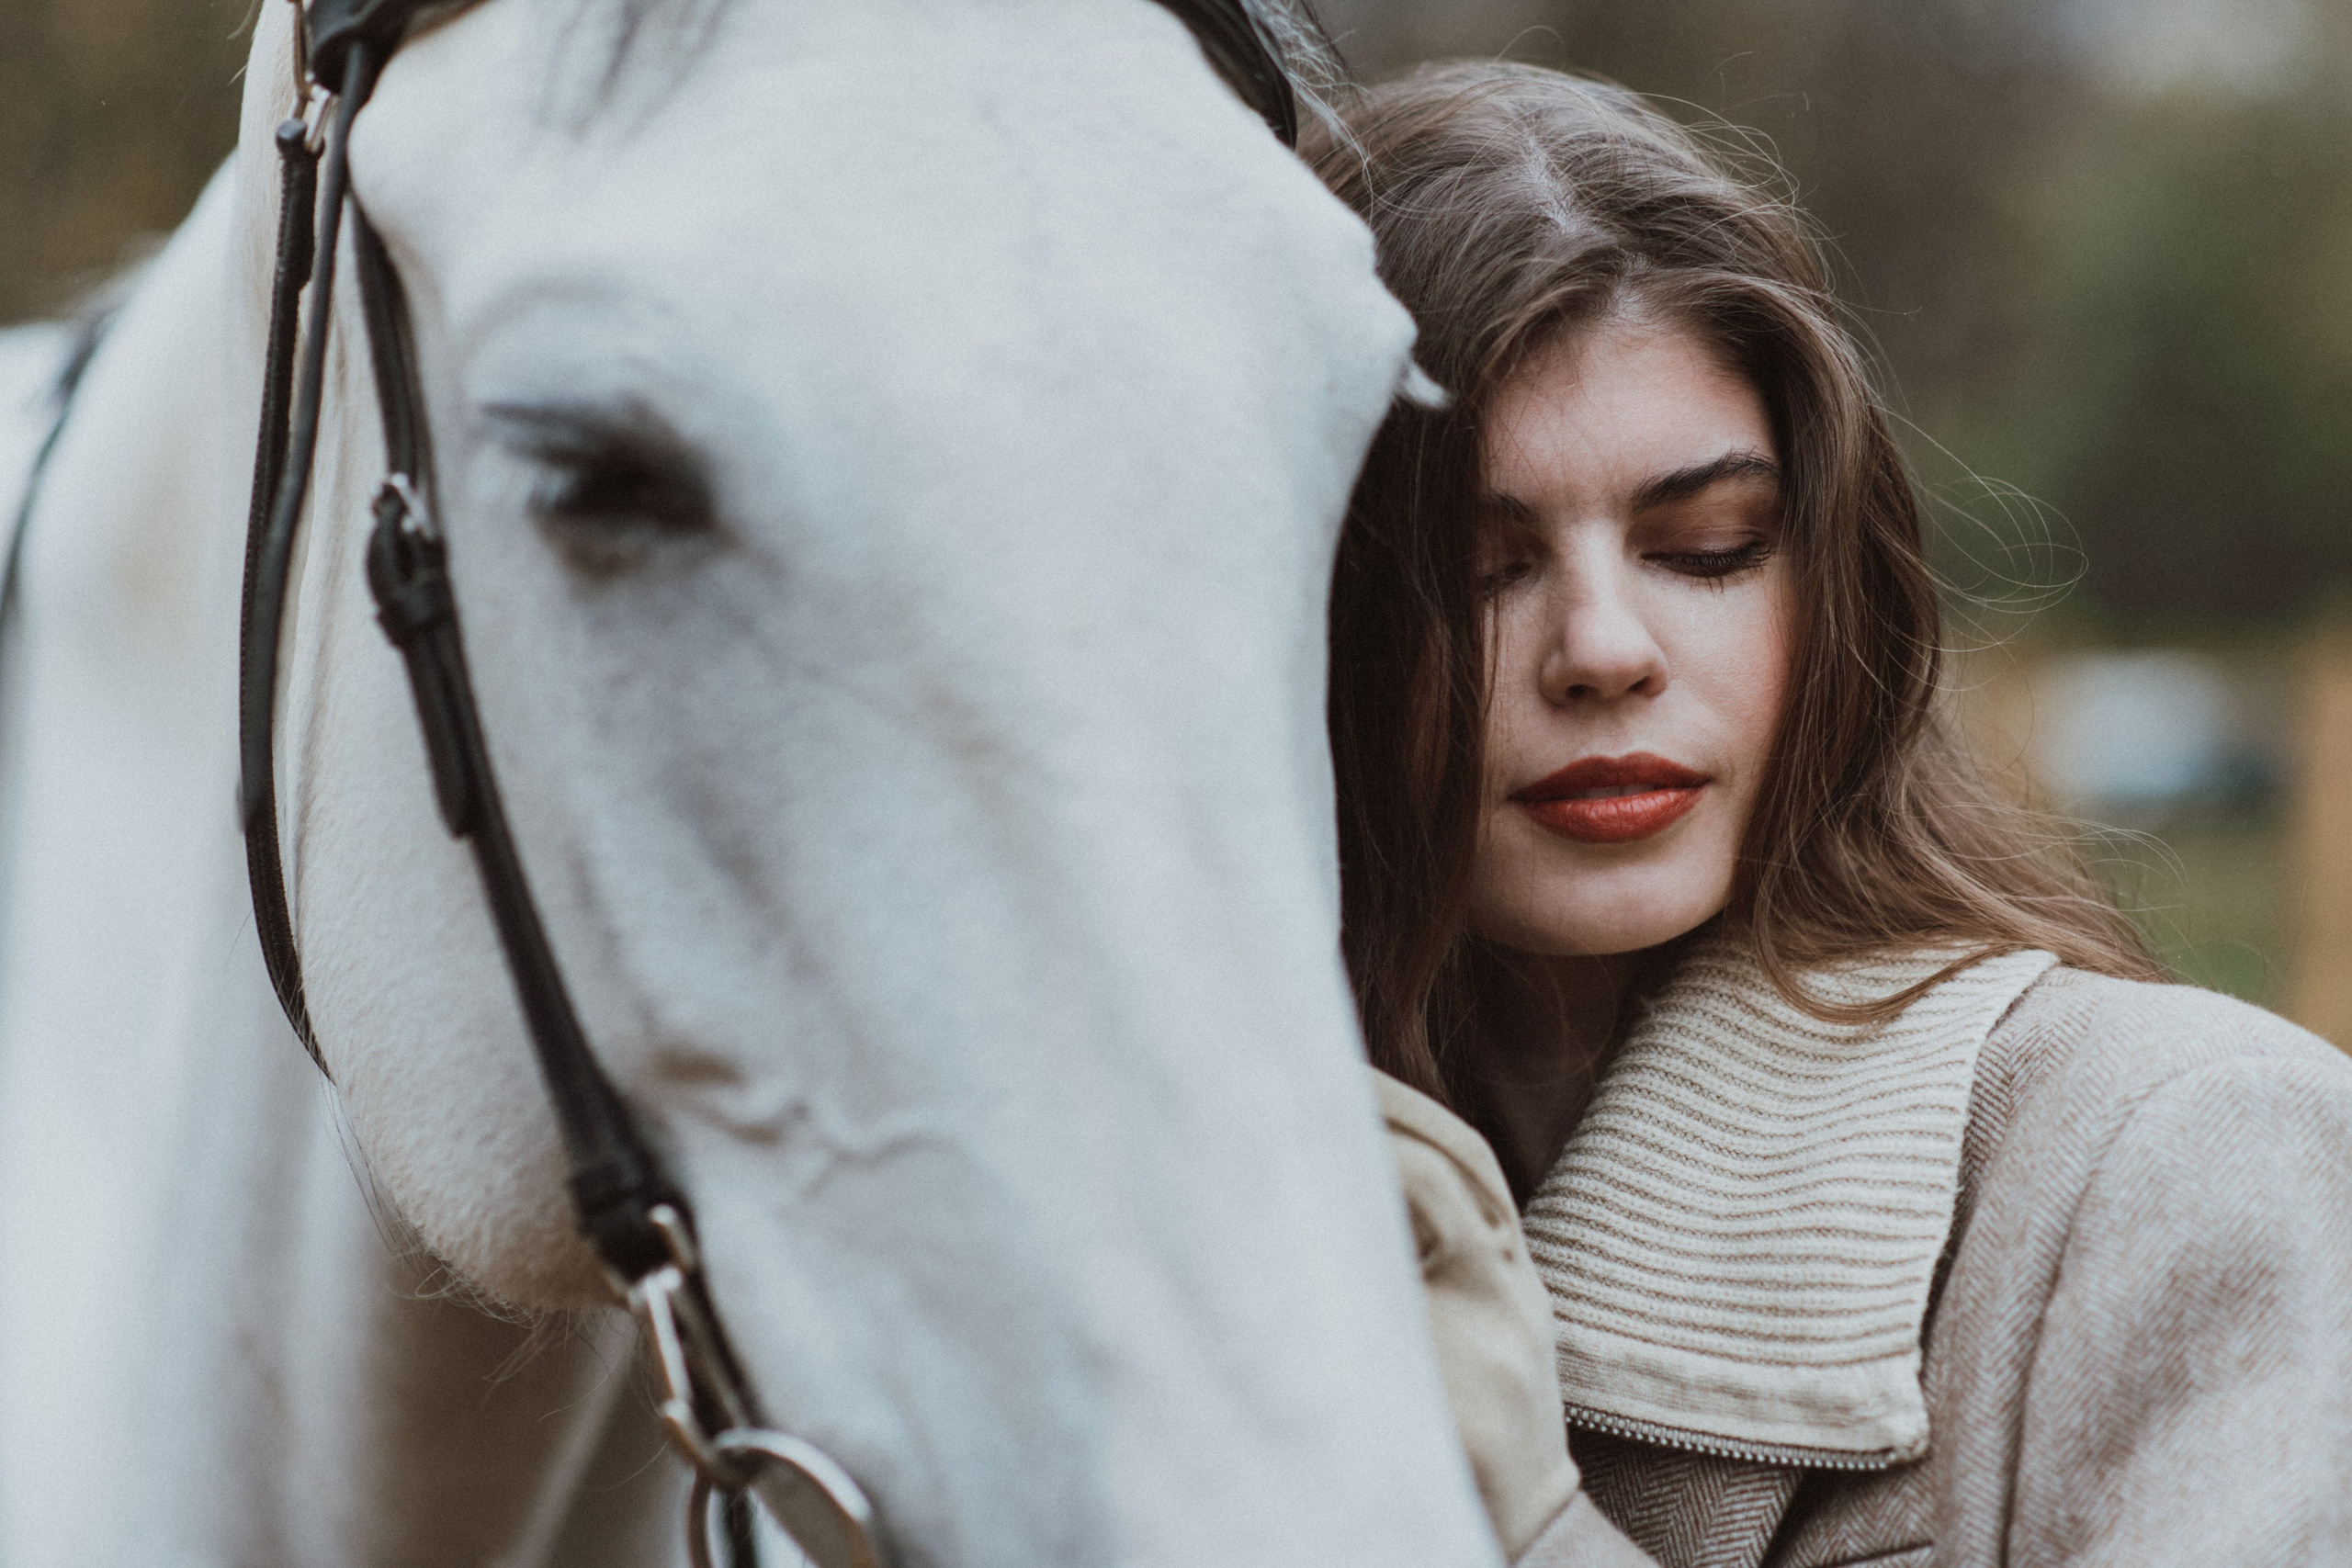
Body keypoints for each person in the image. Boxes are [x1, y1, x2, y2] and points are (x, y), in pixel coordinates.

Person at [1309, 62, 2352, 1567]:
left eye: (1710, 547)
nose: (1605, 648)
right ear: (1308, 627)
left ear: (1831, 581)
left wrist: (1527, 1529)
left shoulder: (2188, 1163)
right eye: (1479, 571)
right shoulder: (1185, 1251)